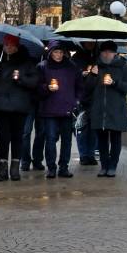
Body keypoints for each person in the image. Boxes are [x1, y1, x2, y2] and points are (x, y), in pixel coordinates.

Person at [0, 34, 39, 182]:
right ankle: (2, 169)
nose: (9, 48)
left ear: (17, 47)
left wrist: (21, 78)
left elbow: (34, 82)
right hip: (1, 107)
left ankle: (15, 169)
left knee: (17, 138)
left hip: (20, 106)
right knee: (3, 139)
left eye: (12, 45)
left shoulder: (26, 63)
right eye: (6, 45)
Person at [84, 41, 127, 178]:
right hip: (99, 109)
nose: (107, 54)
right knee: (102, 140)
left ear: (115, 53)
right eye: (104, 51)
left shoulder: (123, 67)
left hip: (116, 109)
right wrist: (92, 75)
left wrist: (114, 83)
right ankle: (104, 166)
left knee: (116, 139)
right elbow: (87, 89)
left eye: (110, 52)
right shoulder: (96, 66)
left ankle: (112, 166)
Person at [37, 40, 83, 178]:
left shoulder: (72, 67)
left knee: (67, 140)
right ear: (50, 53)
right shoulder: (43, 67)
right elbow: (37, 87)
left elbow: (80, 86)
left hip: (67, 108)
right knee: (50, 138)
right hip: (49, 109)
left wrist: (76, 101)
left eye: (61, 52)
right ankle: (51, 167)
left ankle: (64, 167)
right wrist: (46, 88)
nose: (58, 55)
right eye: (56, 52)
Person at [72, 41, 99, 165]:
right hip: (82, 97)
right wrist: (81, 74)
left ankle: (91, 154)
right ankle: (83, 154)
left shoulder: (98, 57)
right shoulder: (77, 58)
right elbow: (71, 75)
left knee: (93, 128)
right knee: (82, 127)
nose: (90, 44)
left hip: (95, 96)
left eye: (92, 41)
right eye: (87, 42)